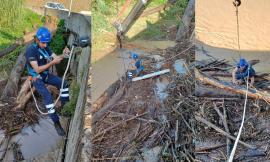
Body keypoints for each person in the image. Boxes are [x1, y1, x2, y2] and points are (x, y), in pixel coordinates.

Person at [25, 27, 70, 136]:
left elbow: (56, 58)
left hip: (45, 75)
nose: (46, 45)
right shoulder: (31, 50)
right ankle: (56, 123)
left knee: (63, 83)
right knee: (48, 96)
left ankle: (65, 108)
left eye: (46, 43)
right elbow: (37, 69)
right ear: (37, 40)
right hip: (37, 78)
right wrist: (52, 63)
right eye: (43, 43)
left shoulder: (45, 47)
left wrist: (64, 55)